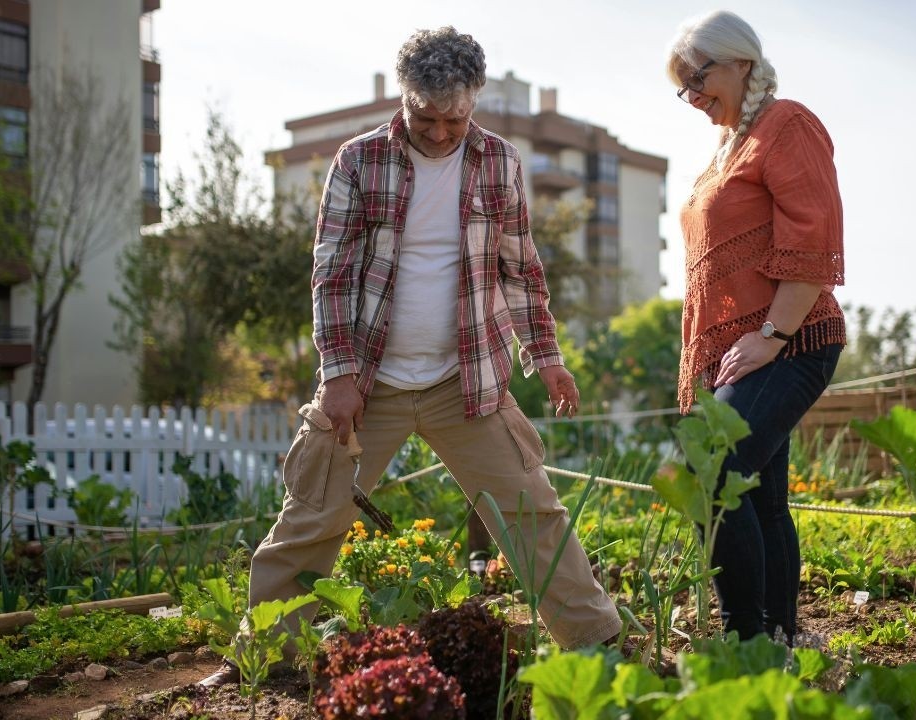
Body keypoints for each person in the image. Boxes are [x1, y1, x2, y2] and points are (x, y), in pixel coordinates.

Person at [199, 26, 621, 687]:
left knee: (531, 513)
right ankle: (262, 658)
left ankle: (596, 643)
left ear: (474, 102)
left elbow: (520, 269)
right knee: (313, 513)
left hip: (467, 382)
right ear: (405, 99)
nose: (442, 132)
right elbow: (331, 274)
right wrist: (338, 375)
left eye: (457, 118)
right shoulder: (359, 161)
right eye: (427, 117)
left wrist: (547, 355)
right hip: (370, 384)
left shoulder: (499, 162)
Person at [666, 10, 846, 644]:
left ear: (741, 60)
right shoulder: (729, 145)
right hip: (743, 348)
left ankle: (750, 640)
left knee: (708, 473)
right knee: (759, 498)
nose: (691, 96)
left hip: (792, 340)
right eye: (681, 87)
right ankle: (782, 642)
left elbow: (812, 234)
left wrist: (770, 334)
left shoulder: (785, 124)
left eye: (698, 78)